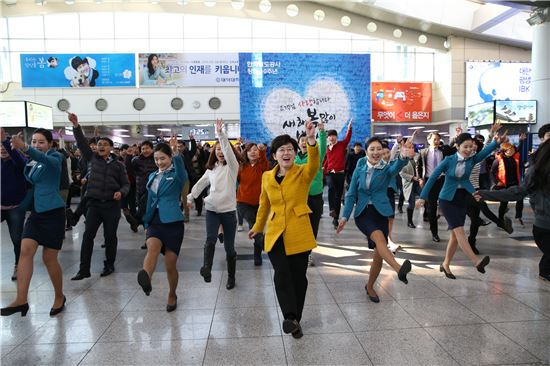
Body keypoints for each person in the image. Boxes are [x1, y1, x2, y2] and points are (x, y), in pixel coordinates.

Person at [248, 120, 319, 339]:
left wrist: (311, 140)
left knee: (299, 278)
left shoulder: (302, 173)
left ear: (295, 153)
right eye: (281, 150)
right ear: (274, 155)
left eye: (290, 149)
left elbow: (314, 164)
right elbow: (264, 204)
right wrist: (258, 226)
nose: (286, 153)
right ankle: (289, 316)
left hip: (299, 230)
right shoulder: (267, 176)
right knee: (281, 275)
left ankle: (295, 320)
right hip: (276, 232)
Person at [416, 131, 508, 279]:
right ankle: (476, 261)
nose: (469, 149)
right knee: (460, 232)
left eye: (471, 147)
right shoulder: (448, 160)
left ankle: (445, 264)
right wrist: (422, 197)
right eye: (465, 146)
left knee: (454, 236)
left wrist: (496, 142)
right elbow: (432, 178)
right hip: (447, 199)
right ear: (457, 146)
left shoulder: (471, 160)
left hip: (461, 198)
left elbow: (483, 154)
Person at [337, 137, 415, 304]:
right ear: (366, 152)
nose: (376, 152)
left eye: (379, 149)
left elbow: (396, 167)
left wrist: (403, 156)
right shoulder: (360, 168)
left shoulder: (386, 169)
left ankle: (370, 286)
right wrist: (344, 217)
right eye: (372, 149)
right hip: (364, 213)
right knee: (380, 239)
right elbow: (351, 194)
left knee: (378, 256)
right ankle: (399, 269)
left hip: (381, 212)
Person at [1, 129, 66, 317]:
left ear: (50, 144)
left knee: (49, 259)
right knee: (25, 249)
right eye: (34, 141)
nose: (37, 145)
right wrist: (6, 141)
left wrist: (27, 147)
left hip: (54, 213)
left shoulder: (55, 159)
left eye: (41, 142)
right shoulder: (34, 161)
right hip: (37, 213)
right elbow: (21, 160)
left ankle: (59, 296)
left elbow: (42, 158)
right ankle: (21, 299)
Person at [476, 137, 550, 281]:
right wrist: (484, 193)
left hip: (516, 189)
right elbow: (516, 192)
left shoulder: (520, 162)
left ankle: (545, 271)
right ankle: (502, 220)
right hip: (544, 226)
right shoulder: (537, 170)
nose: (511, 151)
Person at [68, 113, 130, 280]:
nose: (101, 146)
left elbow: (126, 184)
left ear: (111, 148)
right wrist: (76, 125)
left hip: (111, 206)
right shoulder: (92, 159)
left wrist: (121, 193)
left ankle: (109, 264)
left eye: (104, 144)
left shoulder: (118, 165)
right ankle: (84, 269)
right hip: (94, 205)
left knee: (110, 236)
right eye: (99, 144)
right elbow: (81, 142)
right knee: (88, 236)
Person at [137, 136, 189, 311]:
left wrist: (175, 153)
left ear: (169, 158)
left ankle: (172, 293)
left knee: (170, 264)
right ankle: (146, 279)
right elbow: (151, 199)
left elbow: (182, 171)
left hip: (173, 222)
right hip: (155, 221)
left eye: (163, 158)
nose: (159, 162)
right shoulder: (152, 176)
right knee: (152, 249)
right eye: (156, 159)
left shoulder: (176, 175)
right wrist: (146, 221)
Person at [188, 119, 241, 290]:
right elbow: (200, 184)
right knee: (210, 239)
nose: (220, 152)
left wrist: (221, 135)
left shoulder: (233, 167)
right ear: (213, 152)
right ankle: (207, 268)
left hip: (228, 212)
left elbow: (227, 149)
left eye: (222, 149)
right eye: (217, 149)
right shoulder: (211, 169)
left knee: (229, 248)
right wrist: (189, 198)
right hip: (212, 210)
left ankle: (231, 277)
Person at [295, 123, 327, 266]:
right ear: (298, 144)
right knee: (299, 226)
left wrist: (321, 132)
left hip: (314, 196)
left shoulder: (316, 157)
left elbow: (323, 147)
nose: (303, 142)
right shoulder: (293, 160)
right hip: (298, 198)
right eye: (301, 140)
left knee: (313, 226)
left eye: (305, 140)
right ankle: (299, 250)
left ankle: (308, 253)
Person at [237, 142, 270, 265]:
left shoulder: (262, 165)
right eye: (250, 150)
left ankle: (257, 255)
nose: (253, 152)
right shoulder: (241, 166)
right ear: (246, 152)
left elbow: (265, 164)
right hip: (243, 203)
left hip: (261, 203)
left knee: (258, 229)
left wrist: (262, 151)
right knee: (254, 226)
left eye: (255, 150)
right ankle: (264, 244)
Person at [1, 128, 27, 281]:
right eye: (0, 146)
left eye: (5, 147)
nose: (2, 149)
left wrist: (6, 141)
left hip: (16, 207)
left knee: (17, 238)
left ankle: (18, 265)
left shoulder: (19, 162)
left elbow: (20, 161)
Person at [417, 132, 453, 242]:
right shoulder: (423, 152)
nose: (436, 141)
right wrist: (420, 178)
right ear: (429, 140)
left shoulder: (444, 151)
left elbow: (452, 150)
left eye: (438, 139)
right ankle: (434, 233)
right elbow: (419, 166)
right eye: (434, 139)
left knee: (447, 203)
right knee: (431, 208)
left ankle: (452, 228)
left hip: (442, 180)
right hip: (429, 180)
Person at [323, 119, 353, 229]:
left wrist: (349, 128)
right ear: (328, 138)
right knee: (331, 188)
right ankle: (331, 209)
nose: (331, 138)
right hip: (330, 173)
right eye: (330, 136)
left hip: (340, 174)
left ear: (336, 137)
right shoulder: (327, 148)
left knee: (338, 195)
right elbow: (327, 160)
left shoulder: (341, 144)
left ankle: (335, 218)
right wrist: (324, 167)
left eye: (333, 136)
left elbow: (348, 138)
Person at [491, 141, 524, 226]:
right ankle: (500, 219)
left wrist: (522, 141)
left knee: (520, 198)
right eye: (510, 150)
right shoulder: (498, 160)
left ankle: (518, 216)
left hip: (515, 183)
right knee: (504, 202)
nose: (512, 151)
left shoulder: (515, 158)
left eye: (513, 149)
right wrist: (496, 181)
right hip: (504, 184)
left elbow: (518, 150)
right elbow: (492, 172)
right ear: (505, 151)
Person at [400, 148, 421, 229]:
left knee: (425, 197)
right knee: (411, 203)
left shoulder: (417, 157)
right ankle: (410, 221)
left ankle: (427, 215)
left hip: (419, 183)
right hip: (409, 183)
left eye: (413, 149)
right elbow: (401, 173)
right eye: (409, 149)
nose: (412, 151)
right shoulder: (403, 161)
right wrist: (412, 177)